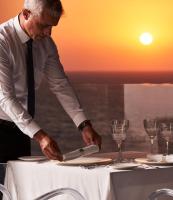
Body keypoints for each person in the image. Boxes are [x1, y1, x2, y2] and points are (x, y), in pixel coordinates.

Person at [0, 0, 101, 162]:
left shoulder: (46, 44)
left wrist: (84, 125)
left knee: (17, 186)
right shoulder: (2, 41)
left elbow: (60, 85)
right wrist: (41, 136)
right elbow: (5, 98)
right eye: (43, 25)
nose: (48, 33)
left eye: (52, 27)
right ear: (26, 14)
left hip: (22, 129)